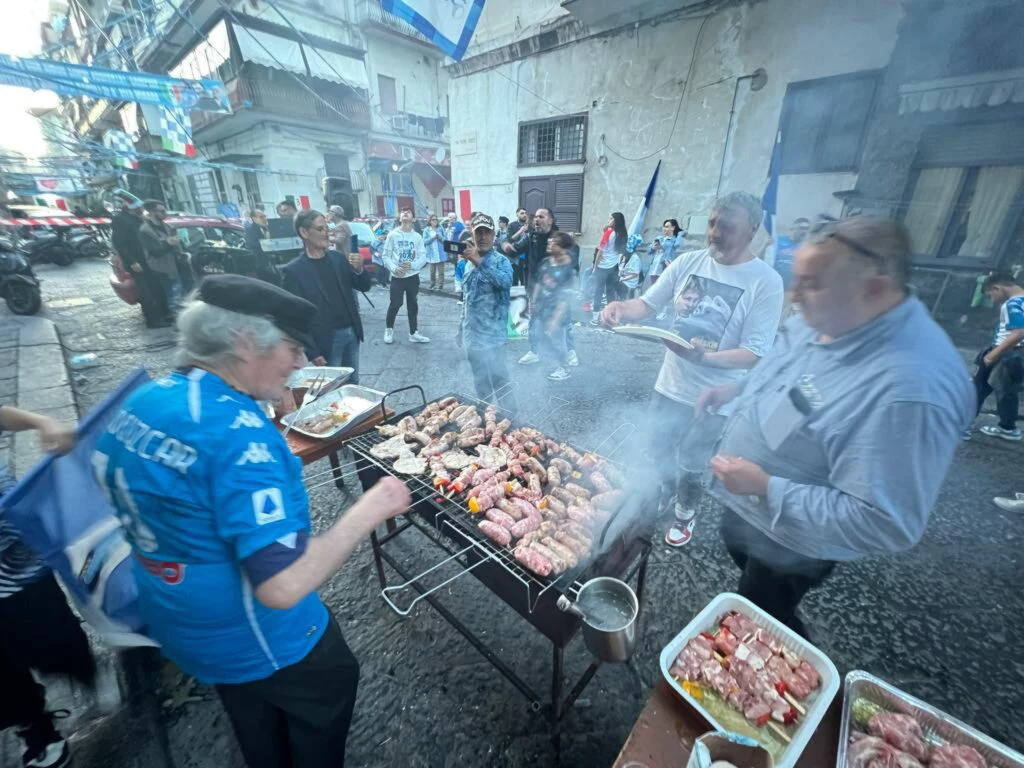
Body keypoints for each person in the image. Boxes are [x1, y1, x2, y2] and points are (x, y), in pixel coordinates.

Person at [94, 275, 411, 768]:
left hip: (177, 617)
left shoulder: (143, 401)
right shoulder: (242, 439)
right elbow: (281, 587)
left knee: (252, 703)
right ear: (244, 342)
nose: (302, 363)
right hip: (253, 631)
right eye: (291, 348)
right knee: (331, 678)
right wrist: (370, 508)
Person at [697, 217, 973, 636]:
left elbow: (885, 520)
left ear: (875, 288)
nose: (795, 297)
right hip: (747, 502)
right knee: (753, 589)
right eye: (797, 279)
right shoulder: (830, 313)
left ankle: (799, 666)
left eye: (813, 284)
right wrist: (738, 389)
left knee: (761, 622)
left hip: (789, 538)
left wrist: (766, 487)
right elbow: (796, 374)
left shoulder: (911, 390)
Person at [601, 192, 785, 548]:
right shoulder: (688, 262)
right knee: (655, 449)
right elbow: (647, 303)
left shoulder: (766, 281)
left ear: (752, 230)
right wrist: (619, 308)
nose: (714, 232)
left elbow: (754, 353)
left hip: (715, 397)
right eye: (712, 223)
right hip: (669, 384)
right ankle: (663, 494)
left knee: (692, 463)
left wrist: (706, 359)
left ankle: (685, 513)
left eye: (726, 226)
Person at [0, 406, 91, 768]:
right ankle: (34, 727)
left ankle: (78, 667)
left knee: (54, 641)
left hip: (18, 559)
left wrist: (43, 422)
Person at [282, 209, 372, 382]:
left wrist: (360, 268)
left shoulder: (337, 259)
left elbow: (363, 286)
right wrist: (312, 351)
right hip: (326, 341)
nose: (327, 234)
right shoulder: (294, 271)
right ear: (304, 232)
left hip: (352, 333)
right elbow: (294, 318)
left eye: (327, 228)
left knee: (354, 383)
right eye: (320, 229)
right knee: (333, 389)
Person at [458, 213, 516, 413]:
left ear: (494, 236)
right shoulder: (466, 263)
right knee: (480, 381)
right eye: (478, 232)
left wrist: (478, 261)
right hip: (472, 337)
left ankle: (511, 418)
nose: (482, 236)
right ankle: (486, 415)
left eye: (486, 232)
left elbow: (505, 282)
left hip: (493, 338)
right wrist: (460, 330)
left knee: (500, 380)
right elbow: (466, 300)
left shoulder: (502, 261)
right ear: (472, 236)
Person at [965, 273, 1024, 441]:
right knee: (1007, 390)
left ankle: (962, 426)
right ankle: (1008, 428)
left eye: (991, 295)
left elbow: (1019, 332)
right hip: (1019, 355)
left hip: (1005, 351)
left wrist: (993, 354)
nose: (993, 300)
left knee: (978, 387)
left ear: (997, 288)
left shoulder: (1012, 304)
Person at [111, 198, 169, 328]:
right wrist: (131, 262)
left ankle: (162, 315)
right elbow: (120, 244)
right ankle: (153, 320)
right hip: (137, 261)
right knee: (146, 291)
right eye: (137, 207)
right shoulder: (121, 220)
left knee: (156, 289)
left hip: (148, 260)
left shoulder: (138, 218)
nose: (141, 209)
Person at [531, 231, 577, 381]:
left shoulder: (568, 269)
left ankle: (565, 368)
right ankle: (553, 363)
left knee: (558, 341)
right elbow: (539, 282)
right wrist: (533, 302)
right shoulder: (546, 262)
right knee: (541, 336)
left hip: (558, 312)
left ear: (563, 248)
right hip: (542, 309)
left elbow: (565, 299)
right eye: (549, 241)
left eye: (554, 243)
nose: (549, 244)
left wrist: (555, 320)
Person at [381, 208, 430, 345]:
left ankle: (413, 332)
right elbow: (385, 256)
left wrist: (413, 265)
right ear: (399, 217)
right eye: (403, 212)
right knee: (395, 304)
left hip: (413, 276)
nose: (405, 213)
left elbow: (423, 257)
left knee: (413, 304)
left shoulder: (417, 237)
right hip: (397, 277)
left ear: (413, 219)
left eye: (409, 212)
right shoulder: (392, 235)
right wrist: (394, 268)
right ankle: (389, 329)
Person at [138, 200, 184, 315]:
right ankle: (175, 319)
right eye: (162, 211)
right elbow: (154, 252)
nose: (165, 213)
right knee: (171, 295)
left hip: (174, 266)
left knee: (178, 294)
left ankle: (177, 316)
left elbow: (177, 244)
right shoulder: (145, 230)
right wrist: (168, 243)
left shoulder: (167, 226)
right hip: (161, 268)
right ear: (153, 212)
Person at [591, 212, 628, 323]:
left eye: (611, 218)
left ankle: (595, 317)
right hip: (614, 266)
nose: (608, 220)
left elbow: (601, 251)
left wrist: (595, 266)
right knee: (610, 292)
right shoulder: (623, 234)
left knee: (598, 291)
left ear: (615, 221)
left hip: (602, 266)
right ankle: (610, 317)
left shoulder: (608, 233)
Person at [771, 217, 810, 290]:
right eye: (802, 228)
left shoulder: (808, 247)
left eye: (807, 229)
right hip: (774, 284)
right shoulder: (778, 241)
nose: (804, 231)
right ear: (792, 228)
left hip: (793, 289)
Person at [647, 219, 685, 289]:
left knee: (662, 288)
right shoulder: (659, 238)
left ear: (673, 228)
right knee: (653, 289)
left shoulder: (675, 240)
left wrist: (680, 234)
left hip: (665, 267)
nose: (665, 229)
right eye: (664, 227)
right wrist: (653, 248)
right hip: (654, 267)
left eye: (667, 227)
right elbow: (648, 250)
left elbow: (678, 245)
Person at [422, 214, 446, 290]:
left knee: (441, 271)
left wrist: (440, 237)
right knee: (432, 272)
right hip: (431, 253)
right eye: (433, 219)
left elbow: (446, 239)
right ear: (430, 221)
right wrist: (432, 238)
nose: (435, 221)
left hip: (440, 253)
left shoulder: (440, 228)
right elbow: (424, 242)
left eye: (436, 219)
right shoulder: (426, 230)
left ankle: (440, 285)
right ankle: (432, 284)